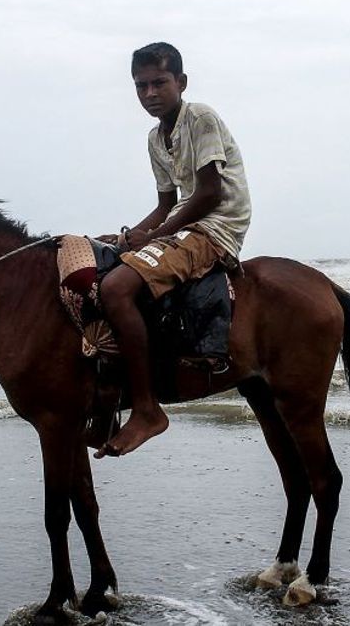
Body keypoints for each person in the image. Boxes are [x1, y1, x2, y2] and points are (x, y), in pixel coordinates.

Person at [95, 42, 252, 458]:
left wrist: (158, 235)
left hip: (215, 226)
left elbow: (208, 192)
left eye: (159, 83)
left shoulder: (199, 117)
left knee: (116, 289)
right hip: (184, 223)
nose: (150, 93)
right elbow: (167, 202)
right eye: (141, 85)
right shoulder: (155, 137)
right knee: (104, 261)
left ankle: (147, 409)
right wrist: (131, 235)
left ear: (181, 83)